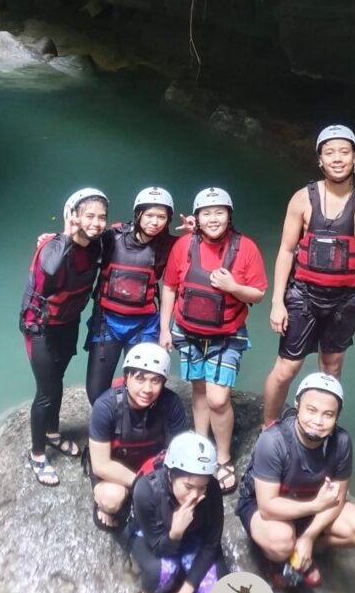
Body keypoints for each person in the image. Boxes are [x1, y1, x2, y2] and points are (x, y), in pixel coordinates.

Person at [263, 124, 355, 426]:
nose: (337, 158)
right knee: (286, 368)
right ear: (319, 159)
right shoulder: (302, 199)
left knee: (331, 369)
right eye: (329, 152)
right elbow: (285, 251)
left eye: (344, 152)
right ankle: (268, 425)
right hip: (303, 295)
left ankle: (320, 426)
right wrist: (277, 302)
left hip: (344, 299)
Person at [159, 187, 268, 495]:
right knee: (198, 390)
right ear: (196, 218)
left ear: (229, 216)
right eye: (206, 213)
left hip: (226, 334)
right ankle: (199, 442)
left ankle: (222, 458)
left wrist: (233, 286)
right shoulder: (184, 245)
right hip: (188, 331)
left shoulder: (245, 248)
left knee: (218, 398)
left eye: (219, 212)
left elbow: (258, 293)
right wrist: (165, 328)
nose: (213, 218)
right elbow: (168, 287)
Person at [236, 373, 355, 588]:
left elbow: (338, 496)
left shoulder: (341, 441)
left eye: (328, 414)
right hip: (267, 506)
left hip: (311, 503)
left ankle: (305, 546)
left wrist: (309, 536)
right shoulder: (274, 441)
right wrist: (316, 505)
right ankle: (278, 557)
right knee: (280, 541)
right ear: (298, 405)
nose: (318, 421)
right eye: (311, 410)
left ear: (337, 416)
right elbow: (268, 507)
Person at [20, 187, 109, 486]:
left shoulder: (97, 246)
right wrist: (66, 236)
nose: (96, 223)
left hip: (68, 322)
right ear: (74, 216)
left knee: (56, 380)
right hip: (40, 326)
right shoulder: (51, 247)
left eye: (101, 217)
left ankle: (52, 432)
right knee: (46, 390)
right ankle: (36, 453)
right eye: (89, 216)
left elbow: (133, 235)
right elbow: (48, 274)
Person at [126, 430, 227, 593]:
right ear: (171, 474)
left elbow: (212, 543)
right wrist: (175, 532)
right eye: (188, 487)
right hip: (155, 537)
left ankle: (184, 580)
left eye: (201, 488)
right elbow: (157, 547)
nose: (194, 495)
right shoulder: (147, 489)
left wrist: (185, 592)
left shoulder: (212, 490)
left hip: (193, 537)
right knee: (163, 574)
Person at [85, 186, 181, 404]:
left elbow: (200, 250)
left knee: (142, 390)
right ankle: (108, 427)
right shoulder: (112, 237)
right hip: (107, 323)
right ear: (138, 214)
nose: (155, 222)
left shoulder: (170, 245)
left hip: (144, 325)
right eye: (149, 215)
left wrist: (197, 232)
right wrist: (57, 237)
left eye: (161, 217)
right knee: (95, 392)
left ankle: (134, 430)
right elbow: (83, 239)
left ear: (168, 219)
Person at [87, 342, 188, 530]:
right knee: (111, 499)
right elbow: (100, 465)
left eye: (155, 381)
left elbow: (181, 452)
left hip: (152, 464)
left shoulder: (171, 403)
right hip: (114, 468)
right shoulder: (106, 406)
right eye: (140, 379)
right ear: (127, 377)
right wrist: (143, 486)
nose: (147, 389)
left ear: (163, 382)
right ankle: (124, 499)